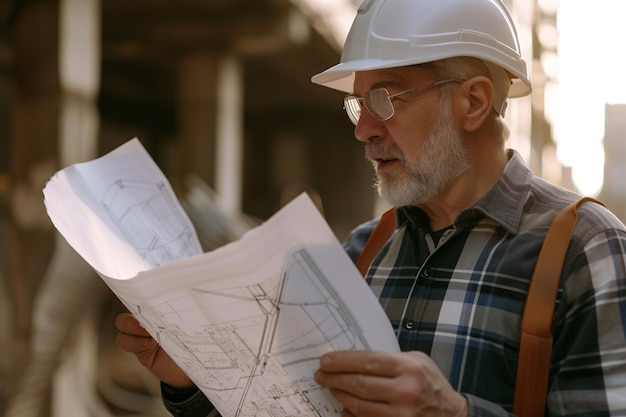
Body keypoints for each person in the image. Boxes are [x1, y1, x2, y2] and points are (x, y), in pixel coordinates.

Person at [115, 0, 626, 415]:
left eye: (385, 99)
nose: (363, 129)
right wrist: (194, 381)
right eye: (358, 105)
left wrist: (453, 414)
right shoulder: (359, 253)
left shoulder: (584, 249)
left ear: (472, 103)